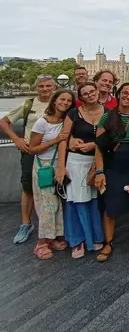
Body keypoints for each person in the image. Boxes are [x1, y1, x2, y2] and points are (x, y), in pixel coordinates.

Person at [94, 82, 129, 262]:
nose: (128, 96)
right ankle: (108, 242)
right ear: (119, 94)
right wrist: (99, 171)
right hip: (113, 165)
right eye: (125, 93)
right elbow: (99, 147)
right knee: (110, 204)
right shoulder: (107, 117)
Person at [0, 74, 56, 244]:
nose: (45, 89)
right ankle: (26, 223)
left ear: (54, 87)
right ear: (36, 88)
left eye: (48, 86)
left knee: (54, 189)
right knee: (28, 188)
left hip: (54, 154)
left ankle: (53, 226)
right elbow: (4, 122)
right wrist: (16, 139)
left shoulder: (60, 103)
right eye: (41, 86)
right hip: (31, 153)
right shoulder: (28, 104)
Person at [55, 81, 105, 259]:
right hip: (76, 162)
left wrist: (94, 144)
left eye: (92, 91)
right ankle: (77, 240)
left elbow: (112, 138)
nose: (90, 95)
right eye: (85, 93)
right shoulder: (74, 114)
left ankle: (95, 236)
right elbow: (63, 139)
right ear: (81, 97)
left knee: (93, 201)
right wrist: (61, 167)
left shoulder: (107, 113)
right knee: (76, 201)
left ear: (97, 91)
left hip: (96, 162)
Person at [28, 89, 75, 259]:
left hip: (59, 165)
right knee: (48, 205)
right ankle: (41, 243)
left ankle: (52, 237)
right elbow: (32, 149)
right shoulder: (42, 122)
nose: (65, 103)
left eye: (69, 101)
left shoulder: (66, 121)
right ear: (54, 100)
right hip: (44, 167)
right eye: (62, 99)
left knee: (57, 205)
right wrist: (55, 140)